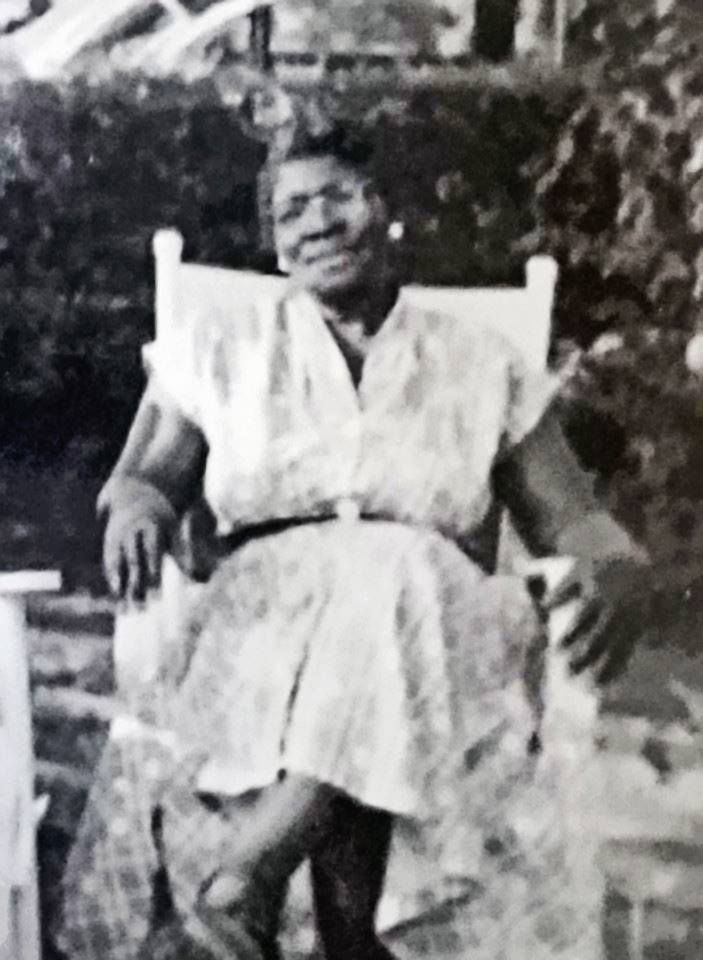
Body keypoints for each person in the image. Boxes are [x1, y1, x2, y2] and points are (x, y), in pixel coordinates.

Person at [59, 115, 652, 960]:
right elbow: (144, 479)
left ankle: (251, 873)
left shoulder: (480, 361)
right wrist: (138, 511)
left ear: (390, 211)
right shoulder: (222, 348)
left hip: (437, 630)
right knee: (372, 611)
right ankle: (349, 939)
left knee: (390, 572)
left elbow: (570, 514)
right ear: (274, 243)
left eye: (338, 196)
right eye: (291, 209)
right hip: (262, 635)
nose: (316, 222)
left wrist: (611, 554)